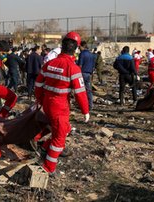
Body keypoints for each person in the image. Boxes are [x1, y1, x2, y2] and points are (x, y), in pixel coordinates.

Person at [35, 32, 89, 174]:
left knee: (64, 129)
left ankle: (45, 147)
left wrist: (40, 100)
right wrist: (85, 111)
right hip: (60, 107)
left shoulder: (50, 64)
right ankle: (48, 167)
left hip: (48, 103)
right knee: (59, 140)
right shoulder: (73, 68)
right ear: (76, 49)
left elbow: (38, 84)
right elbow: (80, 93)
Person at [77, 41, 95, 110]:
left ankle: (83, 106)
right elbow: (93, 66)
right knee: (89, 90)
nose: (79, 49)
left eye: (79, 47)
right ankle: (90, 105)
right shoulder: (91, 54)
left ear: (82, 46)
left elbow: (80, 65)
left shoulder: (82, 54)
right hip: (89, 74)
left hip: (82, 74)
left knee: (81, 90)